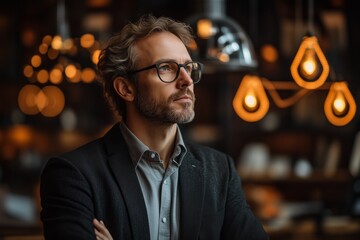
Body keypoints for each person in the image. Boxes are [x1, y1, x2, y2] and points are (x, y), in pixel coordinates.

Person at [40, 14, 268, 240]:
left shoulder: (219, 171)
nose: (187, 80)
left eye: (189, 67)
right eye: (166, 68)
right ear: (126, 88)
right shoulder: (73, 175)